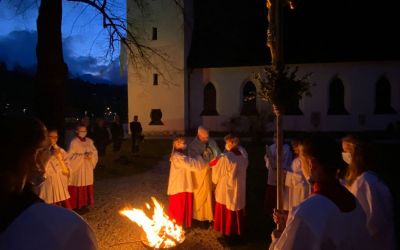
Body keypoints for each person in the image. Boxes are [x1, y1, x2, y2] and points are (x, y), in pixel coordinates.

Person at [0, 114, 97, 250]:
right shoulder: (70, 228)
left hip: (66, 177)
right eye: (38, 152)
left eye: (56, 137)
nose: (37, 165)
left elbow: (69, 165)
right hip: (51, 183)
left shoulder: (64, 150)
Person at [269, 134, 373, 250]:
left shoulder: (305, 212)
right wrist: (291, 219)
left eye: (302, 160)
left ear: (311, 164)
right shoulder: (353, 201)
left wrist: (277, 239)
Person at [341, 134, 396, 250]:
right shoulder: (365, 179)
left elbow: (373, 221)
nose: (344, 155)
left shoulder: (365, 182)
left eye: (346, 151)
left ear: (356, 154)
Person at [211, 134, 248, 245]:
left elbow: (217, 174)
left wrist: (214, 180)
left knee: (227, 211)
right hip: (239, 188)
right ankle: (237, 235)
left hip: (226, 189)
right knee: (236, 210)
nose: (225, 145)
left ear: (232, 143)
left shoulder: (226, 157)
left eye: (227, 142)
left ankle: (228, 237)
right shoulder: (243, 155)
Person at [167, 136, 207, 228]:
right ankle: (178, 226)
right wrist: (200, 157)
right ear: (177, 144)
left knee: (183, 207)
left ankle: (182, 225)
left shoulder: (180, 155)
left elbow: (190, 162)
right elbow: (194, 165)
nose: (185, 144)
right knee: (179, 208)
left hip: (183, 185)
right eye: (183, 143)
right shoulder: (178, 157)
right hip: (180, 187)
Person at [188, 126, 221, 227]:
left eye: (208, 137)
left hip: (211, 173)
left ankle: (209, 217)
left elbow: (218, 153)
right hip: (200, 175)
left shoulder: (211, 141)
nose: (206, 139)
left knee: (210, 194)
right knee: (200, 195)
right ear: (199, 135)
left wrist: (216, 158)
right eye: (204, 138)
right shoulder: (193, 146)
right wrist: (206, 159)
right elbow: (194, 162)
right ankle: (200, 218)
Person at [35, 129, 72, 208]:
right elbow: (40, 166)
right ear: (47, 137)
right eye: (51, 137)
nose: (54, 139)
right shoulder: (41, 152)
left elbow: (68, 165)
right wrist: (51, 156)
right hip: (48, 182)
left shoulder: (61, 150)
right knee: (49, 203)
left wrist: (65, 167)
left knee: (62, 202)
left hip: (59, 181)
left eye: (56, 137)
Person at [67, 124, 98, 211]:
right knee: (79, 185)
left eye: (85, 131)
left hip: (87, 167)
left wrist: (91, 155)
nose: (83, 133)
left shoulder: (89, 141)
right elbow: (69, 157)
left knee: (86, 186)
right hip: (78, 169)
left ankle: (85, 204)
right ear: (77, 132)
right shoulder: (74, 142)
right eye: (81, 131)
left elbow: (94, 152)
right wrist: (82, 156)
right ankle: (77, 206)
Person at [264, 133, 293, 215]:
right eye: (274, 137)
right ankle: (270, 212)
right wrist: (268, 158)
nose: (276, 139)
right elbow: (268, 163)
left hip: (281, 176)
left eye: (278, 137)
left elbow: (286, 164)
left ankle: (280, 212)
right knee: (271, 194)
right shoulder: (271, 148)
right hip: (272, 176)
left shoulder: (287, 149)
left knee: (280, 195)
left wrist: (276, 164)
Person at [283, 136, 311, 210]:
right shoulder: (296, 160)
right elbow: (294, 170)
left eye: (295, 146)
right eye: (293, 146)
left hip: (301, 189)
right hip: (295, 188)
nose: (294, 148)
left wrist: (288, 174)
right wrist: (287, 170)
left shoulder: (303, 160)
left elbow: (301, 176)